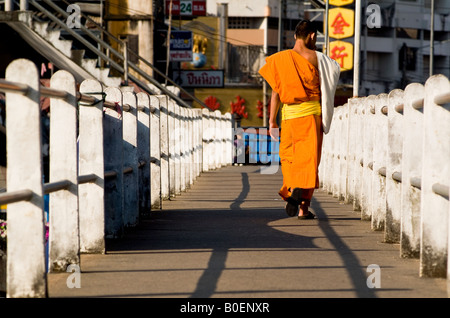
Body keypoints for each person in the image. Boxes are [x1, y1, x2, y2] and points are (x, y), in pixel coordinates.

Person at [258, 20, 340, 219]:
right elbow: (328, 85)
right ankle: (303, 209)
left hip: (288, 118)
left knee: (289, 158)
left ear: (295, 36)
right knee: (309, 162)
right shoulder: (317, 59)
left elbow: (276, 94)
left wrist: (272, 122)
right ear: (312, 36)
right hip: (311, 116)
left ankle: (292, 186)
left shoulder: (280, 59)